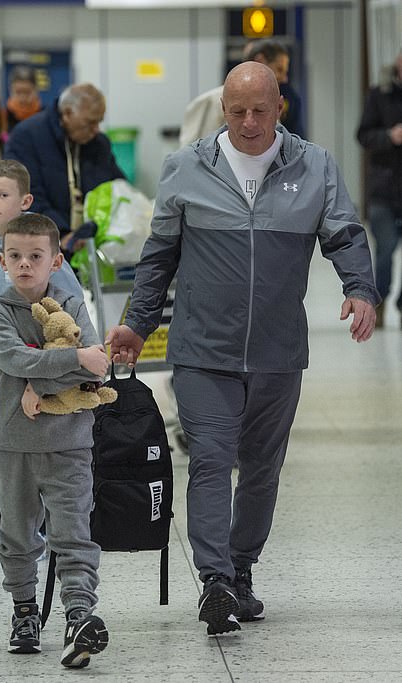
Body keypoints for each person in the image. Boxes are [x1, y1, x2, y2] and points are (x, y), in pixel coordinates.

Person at [106, 62, 379, 637]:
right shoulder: (187, 168)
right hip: (204, 348)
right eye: (237, 111)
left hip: (279, 351)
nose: (248, 122)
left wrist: (359, 290)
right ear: (221, 110)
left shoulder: (314, 166)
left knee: (261, 469)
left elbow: (345, 234)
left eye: (260, 110)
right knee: (209, 459)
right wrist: (136, 323)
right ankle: (215, 581)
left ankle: (242, 570)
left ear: (280, 106)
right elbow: (159, 258)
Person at [0, 213, 109, 667]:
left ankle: (79, 614)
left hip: (70, 441)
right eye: (15, 256)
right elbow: (13, 359)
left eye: (36, 256)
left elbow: (100, 367)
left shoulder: (72, 305)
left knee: (73, 533)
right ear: (2, 260)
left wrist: (42, 386)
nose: (24, 265)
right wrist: (72, 359)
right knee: (15, 536)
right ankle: (24, 612)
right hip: (14, 445)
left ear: (55, 261)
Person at [0, 159, 83, 544]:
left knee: (43, 444)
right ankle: (6, 515)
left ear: (25, 201)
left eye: (3, 195)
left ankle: (46, 525)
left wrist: (45, 375)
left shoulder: (40, 243)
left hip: (46, 361)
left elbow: (71, 302)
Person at [4, 82, 124, 253]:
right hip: (43, 247)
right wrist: (60, 233)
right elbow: (27, 196)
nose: (96, 129)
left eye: (99, 122)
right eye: (90, 122)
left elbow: (116, 188)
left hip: (94, 246)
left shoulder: (99, 144)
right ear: (67, 113)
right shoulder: (27, 137)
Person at [356, 51, 402, 329]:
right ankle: (380, 301)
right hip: (383, 188)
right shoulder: (379, 95)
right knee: (386, 249)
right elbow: (363, 134)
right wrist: (389, 136)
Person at [246, 39, 305, 138]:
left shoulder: (290, 98)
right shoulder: (218, 99)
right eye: (279, 69)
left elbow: (298, 143)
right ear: (260, 61)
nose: (284, 79)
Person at [5, 65, 43, 132]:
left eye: (27, 92)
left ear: (36, 91)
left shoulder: (45, 118)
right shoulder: (2, 119)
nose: (23, 98)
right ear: (10, 91)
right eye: (18, 92)